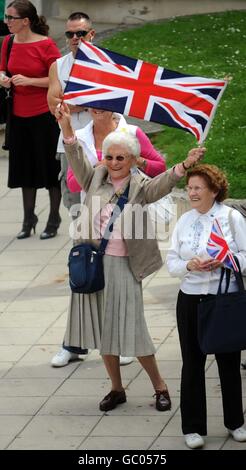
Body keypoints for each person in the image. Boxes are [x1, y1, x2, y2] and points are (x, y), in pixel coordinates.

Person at [55, 102, 205, 412]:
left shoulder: (139, 186)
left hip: (125, 266)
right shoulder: (95, 176)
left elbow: (162, 184)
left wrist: (184, 165)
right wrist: (67, 128)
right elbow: (75, 156)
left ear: (134, 159)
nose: (113, 162)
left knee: (135, 330)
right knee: (103, 333)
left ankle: (160, 387)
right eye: (109, 157)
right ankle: (117, 389)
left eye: (120, 157)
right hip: (95, 265)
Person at [51, 107, 167, 368]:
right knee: (82, 281)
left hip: (126, 222)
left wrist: (136, 162)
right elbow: (72, 182)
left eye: (103, 105)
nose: (97, 109)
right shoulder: (78, 135)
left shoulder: (133, 132)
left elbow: (160, 167)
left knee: (123, 291)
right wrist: (100, 169)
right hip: (90, 220)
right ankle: (73, 344)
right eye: (93, 105)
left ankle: (124, 343)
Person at [166, 163, 246, 449]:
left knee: (228, 363)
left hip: (223, 299)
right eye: (189, 188)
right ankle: (193, 428)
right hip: (190, 299)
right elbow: (172, 262)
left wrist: (225, 260)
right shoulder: (185, 221)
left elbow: (245, 255)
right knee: (192, 364)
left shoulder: (231, 217)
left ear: (214, 190)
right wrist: (189, 264)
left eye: (198, 188)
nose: (192, 193)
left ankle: (235, 422)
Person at [0, 1, 61, 240]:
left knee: (49, 168)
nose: (7, 21)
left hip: (45, 115)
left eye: (11, 17)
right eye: (6, 17)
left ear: (25, 21)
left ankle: (53, 218)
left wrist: (30, 81)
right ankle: (28, 219)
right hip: (18, 115)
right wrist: (3, 79)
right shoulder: (8, 42)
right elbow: (4, 70)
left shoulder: (46, 44)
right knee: (24, 169)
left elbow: (59, 79)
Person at [47, 11, 94, 211]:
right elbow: (54, 106)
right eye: (70, 34)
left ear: (91, 34)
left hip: (101, 137)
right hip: (69, 139)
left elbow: (109, 102)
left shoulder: (106, 64)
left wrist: (69, 100)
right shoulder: (58, 66)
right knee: (73, 197)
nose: (75, 38)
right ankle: (79, 240)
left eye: (80, 33)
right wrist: (89, 101)